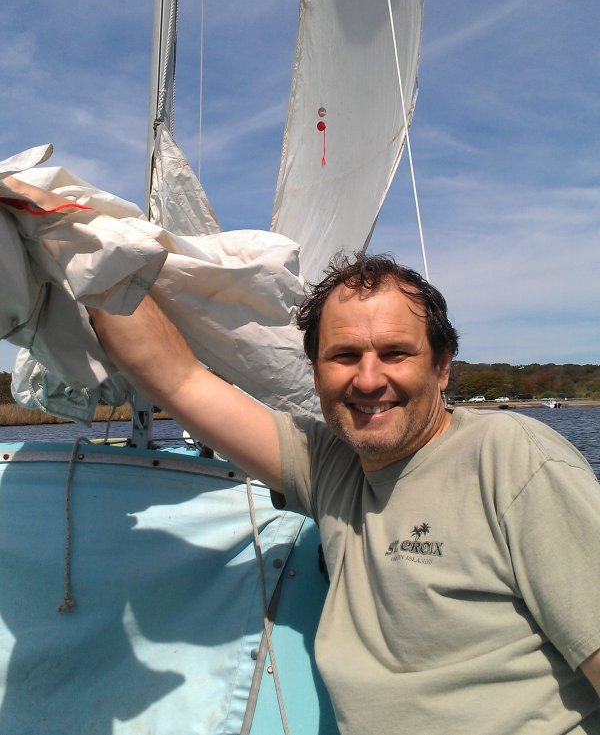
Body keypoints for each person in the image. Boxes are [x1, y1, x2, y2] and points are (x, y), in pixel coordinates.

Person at [3, 177, 600, 733]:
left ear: (442, 367)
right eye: (343, 357)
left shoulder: (511, 459)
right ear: (314, 375)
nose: (368, 380)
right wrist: (72, 233)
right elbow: (179, 380)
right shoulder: (332, 468)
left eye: (396, 353)